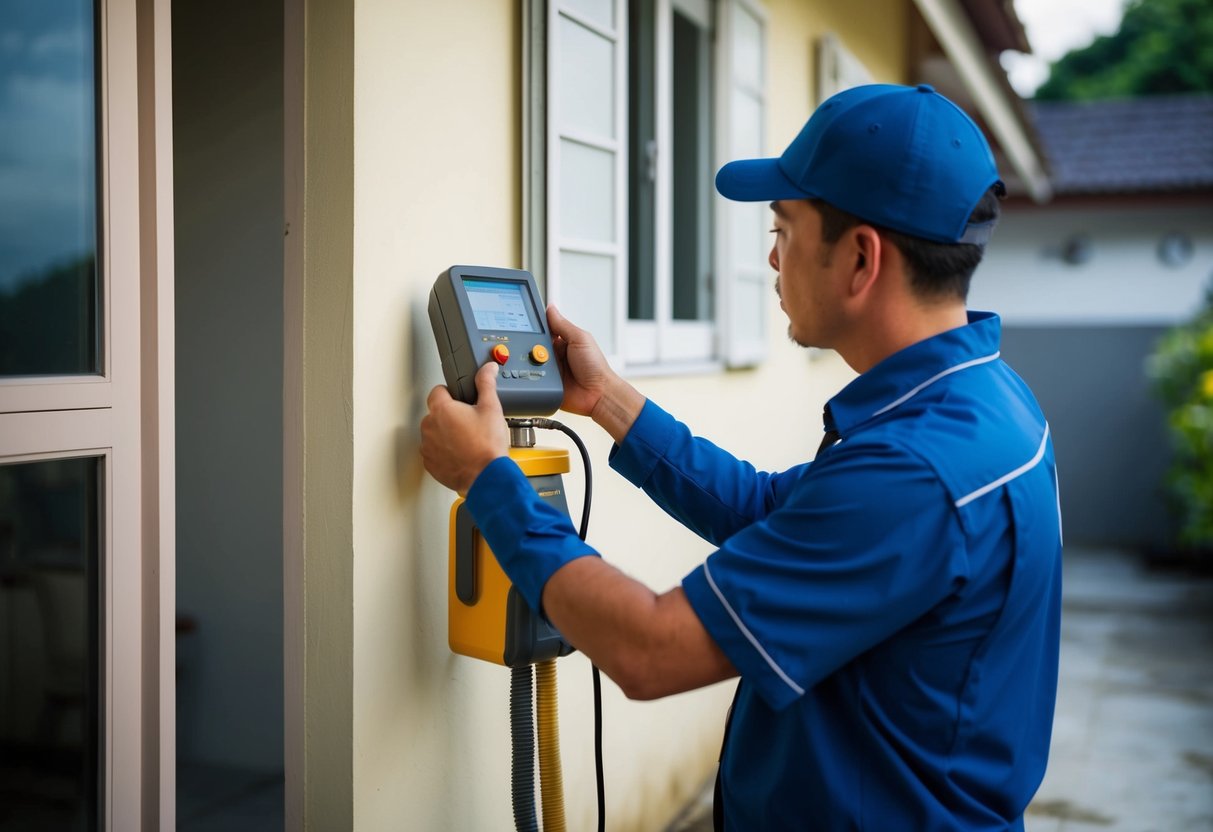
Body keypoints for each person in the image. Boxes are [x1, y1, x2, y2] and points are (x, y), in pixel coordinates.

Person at [420, 83, 1062, 830]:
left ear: (859, 259)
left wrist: (489, 483)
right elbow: (777, 514)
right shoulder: (983, 405)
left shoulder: (913, 472)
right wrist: (608, 402)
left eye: (784, 228)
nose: (770, 255)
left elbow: (649, 649)